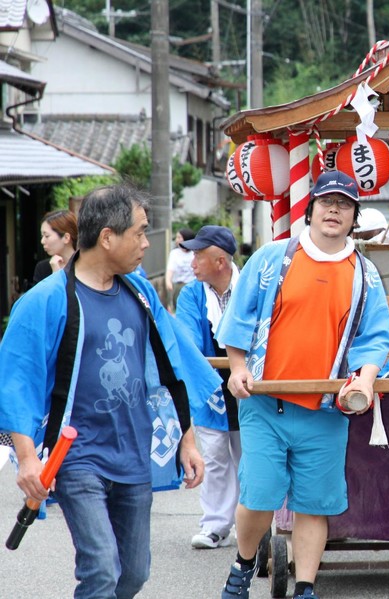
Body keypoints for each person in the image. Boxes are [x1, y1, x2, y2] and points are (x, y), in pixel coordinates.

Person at [0, 184, 220, 599]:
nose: (144, 243)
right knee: (100, 570)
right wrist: (28, 460)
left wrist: (186, 440)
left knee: (134, 573)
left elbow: (171, 367)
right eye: (138, 232)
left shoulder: (140, 292)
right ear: (107, 238)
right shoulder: (45, 300)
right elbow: (18, 381)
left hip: (133, 452)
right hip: (77, 457)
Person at [216, 170, 389, 599]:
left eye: (345, 204)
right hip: (264, 401)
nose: (334, 210)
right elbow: (237, 320)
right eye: (327, 202)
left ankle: (307, 586)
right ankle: (242, 563)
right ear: (310, 208)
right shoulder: (273, 257)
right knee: (259, 494)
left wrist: (365, 381)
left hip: (327, 407)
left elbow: (375, 339)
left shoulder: (364, 273)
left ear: (354, 217)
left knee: (315, 502)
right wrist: (238, 368)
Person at [175, 225, 242, 550]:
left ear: (219, 261)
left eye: (198, 255)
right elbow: (187, 338)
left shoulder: (250, 288)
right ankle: (216, 525)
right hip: (210, 383)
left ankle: (253, 524)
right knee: (214, 456)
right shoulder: (190, 293)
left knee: (251, 457)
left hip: (248, 381)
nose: (192, 262)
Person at [33, 210, 78, 284]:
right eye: (42, 236)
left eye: (47, 236)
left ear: (66, 238)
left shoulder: (86, 265)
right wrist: (55, 276)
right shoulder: (42, 268)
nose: (42, 241)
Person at [166, 227, 196, 310]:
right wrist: (168, 281)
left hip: (192, 285)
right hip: (179, 286)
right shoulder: (174, 253)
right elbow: (170, 269)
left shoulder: (194, 253)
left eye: (179, 237)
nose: (177, 240)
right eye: (176, 237)